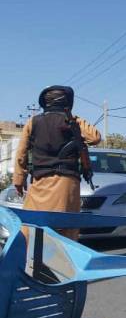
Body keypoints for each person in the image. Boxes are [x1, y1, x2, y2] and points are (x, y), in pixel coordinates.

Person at [13, 85, 101, 240]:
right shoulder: (73, 122)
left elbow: (21, 154)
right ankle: (60, 263)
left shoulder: (32, 122)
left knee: (32, 228)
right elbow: (95, 137)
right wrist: (74, 120)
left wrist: (18, 181)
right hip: (66, 185)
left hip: (39, 184)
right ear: (67, 102)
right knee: (65, 231)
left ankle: (32, 262)